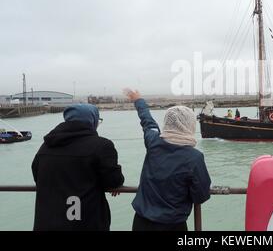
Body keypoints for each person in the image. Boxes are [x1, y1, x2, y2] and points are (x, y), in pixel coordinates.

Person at [124, 89, 211, 231]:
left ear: (167, 122)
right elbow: (201, 195)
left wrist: (138, 100)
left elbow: (148, 123)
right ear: (190, 125)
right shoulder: (194, 158)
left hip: (141, 223)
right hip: (173, 225)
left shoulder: (153, 142)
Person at [32, 104, 124, 231]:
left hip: (47, 221)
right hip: (85, 222)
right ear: (92, 121)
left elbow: (37, 175)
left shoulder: (46, 146)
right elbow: (113, 180)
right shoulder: (102, 146)